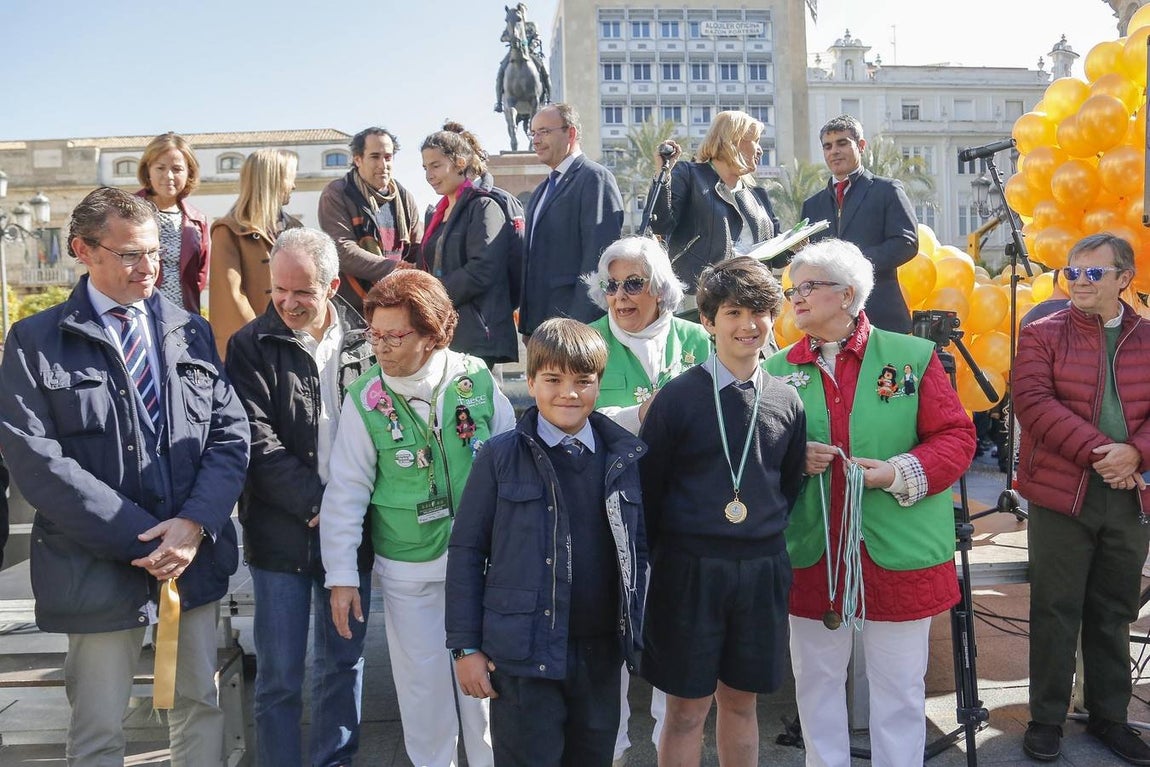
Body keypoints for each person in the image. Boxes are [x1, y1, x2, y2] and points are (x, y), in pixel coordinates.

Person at [0, 187, 249, 765]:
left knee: (199, 705)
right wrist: (141, 539)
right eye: (132, 254)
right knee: (97, 727)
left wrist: (191, 525)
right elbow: (36, 460)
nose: (151, 268)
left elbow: (229, 434)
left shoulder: (189, 328)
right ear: (83, 250)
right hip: (97, 565)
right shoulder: (36, 342)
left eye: (156, 253)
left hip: (192, 560)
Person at [763, 238, 976, 767]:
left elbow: (956, 438)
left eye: (810, 286)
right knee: (815, 684)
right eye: (794, 288)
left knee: (900, 687)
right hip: (815, 549)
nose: (797, 298)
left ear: (849, 294)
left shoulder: (911, 356)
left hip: (894, 551)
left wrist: (897, 472)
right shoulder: (774, 369)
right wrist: (792, 457)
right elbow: (754, 458)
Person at [321, 269, 514, 767]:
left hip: (482, 565)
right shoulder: (365, 398)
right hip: (408, 566)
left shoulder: (476, 378)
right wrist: (342, 576)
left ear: (432, 334)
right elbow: (346, 490)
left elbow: (515, 467)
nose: (381, 346)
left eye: (394, 335)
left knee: (484, 687)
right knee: (422, 687)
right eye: (374, 335)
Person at [446, 317, 647, 766]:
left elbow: (638, 550)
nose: (568, 394)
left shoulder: (624, 456)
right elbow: (466, 552)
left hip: (598, 652)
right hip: (521, 653)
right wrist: (465, 646)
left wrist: (637, 628)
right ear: (531, 381)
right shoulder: (499, 456)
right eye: (553, 380)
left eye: (583, 381)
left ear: (600, 383)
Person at [639, 256, 806, 767]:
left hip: (760, 570)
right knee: (686, 709)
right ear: (708, 322)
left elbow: (789, 484)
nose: (747, 325)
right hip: (690, 571)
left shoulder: (785, 401)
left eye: (759, 312)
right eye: (733, 313)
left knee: (742, 702)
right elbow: (650, 489)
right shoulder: (677, 399)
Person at [224, 228, 375, 767]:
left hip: (353, 538)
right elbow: (256, 444)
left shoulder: (368, 342)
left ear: (332, 286)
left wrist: (346, 517)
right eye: (277, 290)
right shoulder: (249, 346)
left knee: (342, 667)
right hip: (282, 536)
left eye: (302, 292)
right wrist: (324, 508)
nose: (287, 303)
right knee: (280, 678)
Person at [1014, 233, 1150, 765]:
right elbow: (1032, 404)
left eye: (1094, 273)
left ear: (1124, 279)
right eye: (1073, 273)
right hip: (1062, 493)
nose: (1080, 282)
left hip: (1129, 495)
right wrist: (1106, 453)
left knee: (1114, 610)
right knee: (1054, 608)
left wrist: (1136, 455)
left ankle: (1109, 717)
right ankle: (1046, 719)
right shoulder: (1042, 333)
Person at [580, 235, 710, 763]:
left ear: (659, 288)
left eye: (633, 284)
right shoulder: (582, 342)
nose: (620, 296)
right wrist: (640, 418)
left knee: (671, 648)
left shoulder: (700, 340)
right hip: (607, 521)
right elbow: (569, 422)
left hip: (683, 520)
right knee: (605, 649)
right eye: (611, 286)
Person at [650, 110, 784, 306]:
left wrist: (796, 244)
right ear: (734, 140)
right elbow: (660, 224)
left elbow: (777, 257)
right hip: (701, 298)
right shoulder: (689, 175)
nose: (760, 150)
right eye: (755, 140)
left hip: (754, 299)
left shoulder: (757, 195)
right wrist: (664, 177)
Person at [801, 115, 918, 333]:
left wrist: (854, 265)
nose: (834, 151)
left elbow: (907, 243)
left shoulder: (887, 190)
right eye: (828, 146)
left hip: (880, 314)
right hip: (827, 321)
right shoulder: (812, 206)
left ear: (861, 146)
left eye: (842, 143)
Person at [417, 123, 518, 367]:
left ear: (460, 163)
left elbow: (482, 270)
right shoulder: (437, 214)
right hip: (444, 329)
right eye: (425, 168)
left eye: (436, 166)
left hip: (475, 333)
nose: (429, 175)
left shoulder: (484, 206)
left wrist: (431, 295)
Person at [519, 103, 624, 337]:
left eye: (543, 132)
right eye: (533, 133)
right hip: (541, 325)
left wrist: (579, 325)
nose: (535, 140)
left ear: (571, 133)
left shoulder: (594, 178)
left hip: (573, 325)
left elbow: (599, 257)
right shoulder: (541, 191)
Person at [209, 148, 301, 358]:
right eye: (290, 178)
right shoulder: (228, 231)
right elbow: (231, 298)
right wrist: (260, 342)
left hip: (293, 346)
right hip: (253, 352)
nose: (294, 186)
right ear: (272, 179)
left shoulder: (295, 228)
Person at [318, 127, 423, 309]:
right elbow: (342, 250)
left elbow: (417, 247)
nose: (383, 165)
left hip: (396, 305)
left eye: (388, 157)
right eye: (375, 157)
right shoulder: (337, 194)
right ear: (357, 159)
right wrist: (397, 269)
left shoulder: (405, 198)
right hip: (352, 308)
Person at [135, 132, 210, 313]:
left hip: (183, 318)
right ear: (148, 171)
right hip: (136, 314)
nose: (168, 176)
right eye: (160, 168)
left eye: (177, 169)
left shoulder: (197, 221)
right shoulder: (125, 212)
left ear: (189, 173)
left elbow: (200, 276)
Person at [494, 2, 551, 111]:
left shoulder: (532, 25)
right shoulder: (512, 24)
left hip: (530, 52)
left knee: (544, 71)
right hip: (513, 52)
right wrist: (511, 38)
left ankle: (548, 97)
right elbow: (502, 37)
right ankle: (499, 103)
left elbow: (537, 38)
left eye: (523, 12)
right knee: (500, 72)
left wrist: (531, 47)